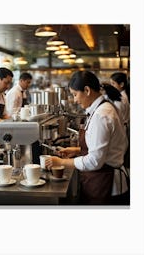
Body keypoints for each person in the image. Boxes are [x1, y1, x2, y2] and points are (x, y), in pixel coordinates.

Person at [45, 71, 129, 205]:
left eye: (75, 94)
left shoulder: (101, 115)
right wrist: (77, 150)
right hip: (101, 181)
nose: (75, 100)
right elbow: (104, 147)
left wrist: (61, 162)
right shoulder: (100, 109)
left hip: (107, 185)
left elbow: (95, 161)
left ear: (87, 90)